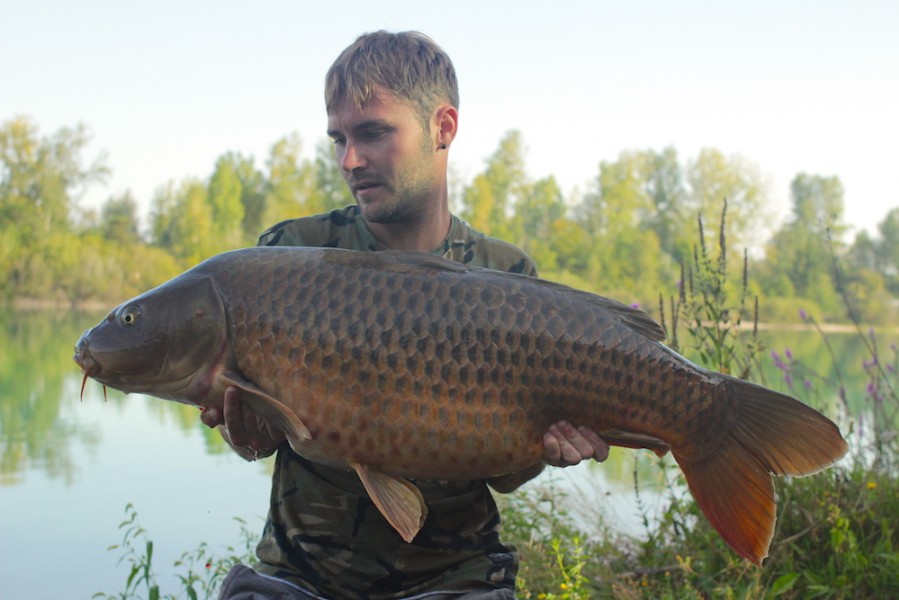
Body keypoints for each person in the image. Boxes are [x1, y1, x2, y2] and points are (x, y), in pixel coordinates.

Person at [201, 30, 609, 600]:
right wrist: (248, 432)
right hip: (299, 578)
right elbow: (258, 440)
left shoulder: (506, 276)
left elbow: (507, 473)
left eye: (373, 133)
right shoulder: (291, 254)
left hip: (458, 577)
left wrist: (551, 447)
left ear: (443, 128)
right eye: (338, 137)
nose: (350, 159)